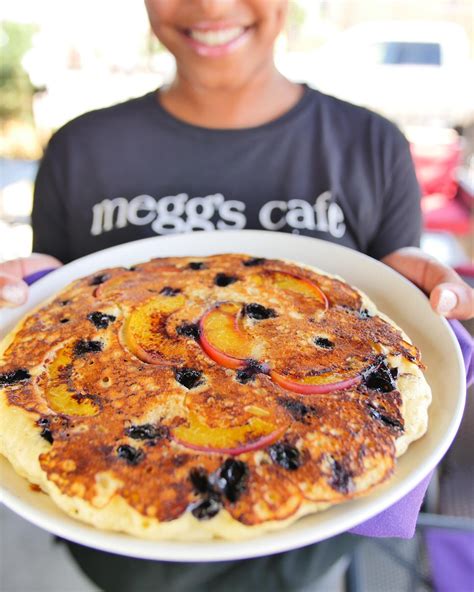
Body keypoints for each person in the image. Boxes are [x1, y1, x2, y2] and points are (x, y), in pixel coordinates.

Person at [0, 1, 472, 590]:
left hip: (315, 548)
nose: (211, 5)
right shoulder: (79, 148)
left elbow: (388, 285)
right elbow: (67, 296)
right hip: (118, 551)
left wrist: (413, 285)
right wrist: (31, 291)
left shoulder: (372, 145)